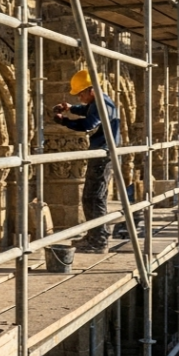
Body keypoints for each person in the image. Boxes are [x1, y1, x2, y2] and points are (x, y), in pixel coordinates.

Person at [53, 68, 121, 254]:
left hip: (103, 155)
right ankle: (94, 236)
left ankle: (98, 242)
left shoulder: (101, 103)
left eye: (80, 94)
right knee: (89, 197)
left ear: (91, 90)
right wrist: (70, 108)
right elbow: (86, 110)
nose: (79, 98)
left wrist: (65, 121)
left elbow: (89, 124)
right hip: (100, 153)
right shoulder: (99, 101)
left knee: (95, 197)